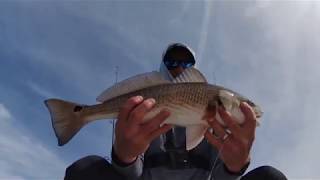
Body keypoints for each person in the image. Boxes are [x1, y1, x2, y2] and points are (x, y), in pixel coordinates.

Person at [65, 43, 287, 180]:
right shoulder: (140, 112)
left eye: (187, 64)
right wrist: (125, 156)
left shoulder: (220, 125)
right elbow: (131, 175)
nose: (179, 67)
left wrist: (236, 166)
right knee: (85, 171)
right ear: (162, 67)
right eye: (171, 62)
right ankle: (82, 115)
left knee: (270, 177)